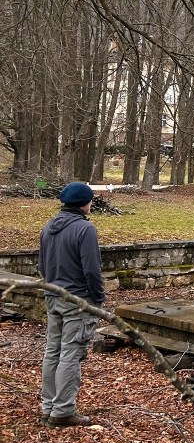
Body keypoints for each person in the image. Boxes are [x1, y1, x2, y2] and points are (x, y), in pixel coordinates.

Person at [38, 181, 104, 427]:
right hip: (77, 300)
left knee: (52, 351)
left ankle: (48, 407)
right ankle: (63, 410)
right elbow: (92, 269)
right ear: (84, 204)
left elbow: (42, 266)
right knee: (70, 353)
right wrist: (97, 297)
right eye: (90, 201)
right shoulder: (84, 230)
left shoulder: (48, 227)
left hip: (53, 296)